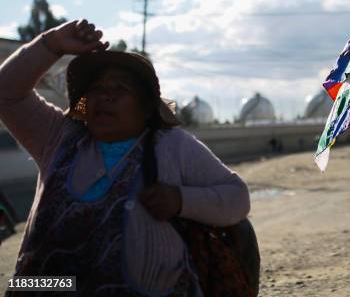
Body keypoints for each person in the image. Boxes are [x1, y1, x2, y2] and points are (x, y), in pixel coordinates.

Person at [0, 19, 251, 296]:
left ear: (146, 107)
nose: (105, 96)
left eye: (120, 89)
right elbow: (5, 93)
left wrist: (180, 200)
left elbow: (237, 197)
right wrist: (51, 43)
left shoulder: (172, 145)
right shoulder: (60, 137)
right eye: (96, 89)